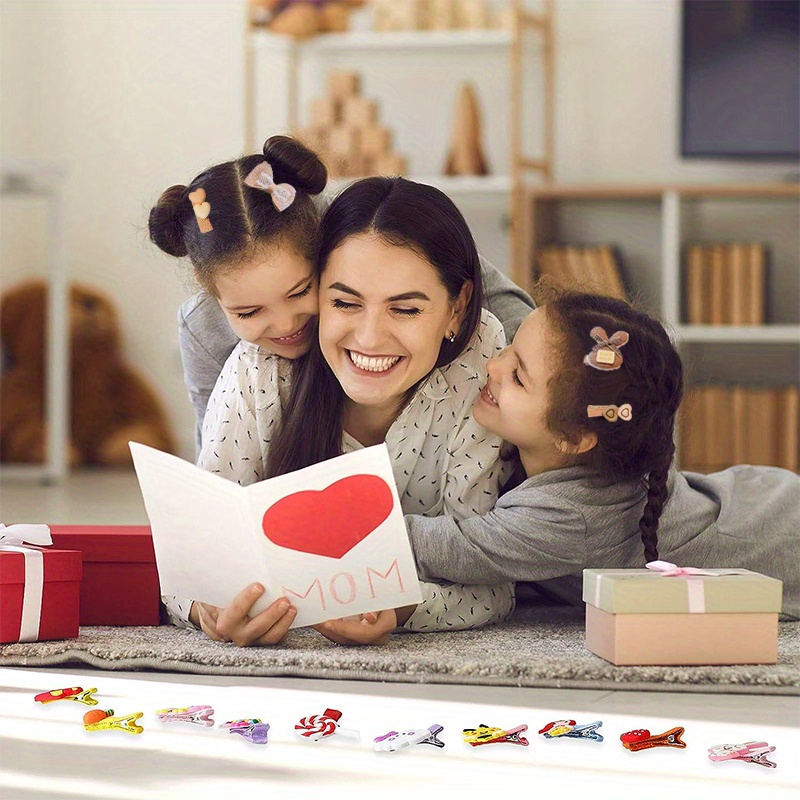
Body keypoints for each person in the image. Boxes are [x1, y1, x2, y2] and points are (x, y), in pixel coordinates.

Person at [150, 152, 531, 645]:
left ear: (457, 309)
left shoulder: (485, 357)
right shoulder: (254, 362)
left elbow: (487, 575)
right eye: (344, 301)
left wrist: (402, 604)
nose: (370, 337)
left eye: (406, 308)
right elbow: (194, 550)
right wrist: (208, 608)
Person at [322, 285, 799, 643]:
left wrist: (316, 526)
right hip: (750, 492)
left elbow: (444, 546)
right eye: (507, 350)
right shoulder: (568, 417)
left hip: (778, 534)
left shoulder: (572, 516)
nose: (493, 366)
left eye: (517, 376)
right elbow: (498, 291)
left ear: (573, 437)